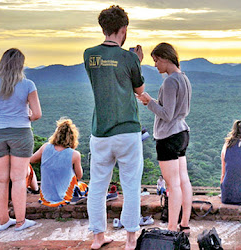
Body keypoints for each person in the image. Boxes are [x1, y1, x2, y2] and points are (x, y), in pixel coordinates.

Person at [83, 5, 145, 250]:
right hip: (127, 131)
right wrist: (137, 62)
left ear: (103, 28)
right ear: (124, 29)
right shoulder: (129, 57)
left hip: (100, 132)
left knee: (97, 186)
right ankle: (130, 240)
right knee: (131, 186)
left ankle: (98, 238)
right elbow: (138, 90)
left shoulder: (89, 55)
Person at [137, 42, 193, 235]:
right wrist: (154, 102)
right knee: (184, 180)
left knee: (173, 184)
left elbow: (167, 114)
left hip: (168, 135)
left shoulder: (170, 81)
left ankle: (171, 228)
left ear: (165, 58)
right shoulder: (184, 78)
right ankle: (184, 224)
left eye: (156, 60)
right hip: (182, 133)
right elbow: (177, 110)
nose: (155, 65)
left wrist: (148, 102)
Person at [0, 48, 41, 231]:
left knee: (0, 180)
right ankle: (21, 221)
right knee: (19, 178)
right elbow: (37, 114)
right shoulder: (28, 84)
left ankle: (4, 221)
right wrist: (27, 116)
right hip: (21, 133)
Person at [30, 118, 88, 207]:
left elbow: (31, 160)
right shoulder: (75, 154)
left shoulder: (45, 147)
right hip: (65, 196)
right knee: (84, 186)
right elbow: (79, 176)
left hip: (45, 197)